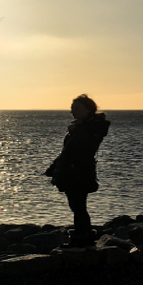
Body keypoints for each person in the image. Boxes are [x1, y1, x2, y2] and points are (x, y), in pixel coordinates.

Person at [45, 94, 110, 247]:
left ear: (88, 110)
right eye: (72, 108)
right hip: (74, 170)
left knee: (78, 205)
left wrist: (76, 131)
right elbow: (68, 151)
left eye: (77, 108)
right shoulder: (84, 127)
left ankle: (82, 237)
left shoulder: (90, 128)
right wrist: (55, 167)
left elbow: (78, 150)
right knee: (77, 205)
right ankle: (83, 235)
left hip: (78, 172)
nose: (72, 111)